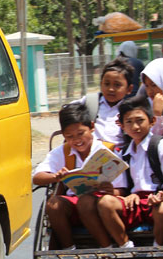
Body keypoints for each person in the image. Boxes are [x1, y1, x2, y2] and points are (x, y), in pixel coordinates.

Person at [33, 103, 125, 249]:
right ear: (63, 135)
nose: (76, 140)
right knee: (53, 204)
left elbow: (123, 190)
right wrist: (56, 177)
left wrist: (111, 191)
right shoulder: (63, 151)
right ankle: (69, 248)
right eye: (70, 136)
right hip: (74, 204)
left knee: (86, 202)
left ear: (92, 127)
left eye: (81, 133)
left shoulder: (108, 151)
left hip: (104, 204)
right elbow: (37, 177)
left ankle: (106, 248)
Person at [97, 96, 163, 248]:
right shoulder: (123, 152)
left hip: (159, 199)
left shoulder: (161, 146)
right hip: (135, 201)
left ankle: (159, 248)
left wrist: (160, 196)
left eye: (140, 120)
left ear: (152, 121)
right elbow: (121, 188)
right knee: (105, 203)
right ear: (122, 125)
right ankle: (125, 247)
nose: (135, 127)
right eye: (129, 122)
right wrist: (122, 194)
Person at [73, 57, 134, 146]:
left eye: (117, 85)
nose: (111, 89)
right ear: (101, 84)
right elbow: (66, 111)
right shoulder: (90, 102)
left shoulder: (131, 110)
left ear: (129, 89)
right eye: (106, 84)